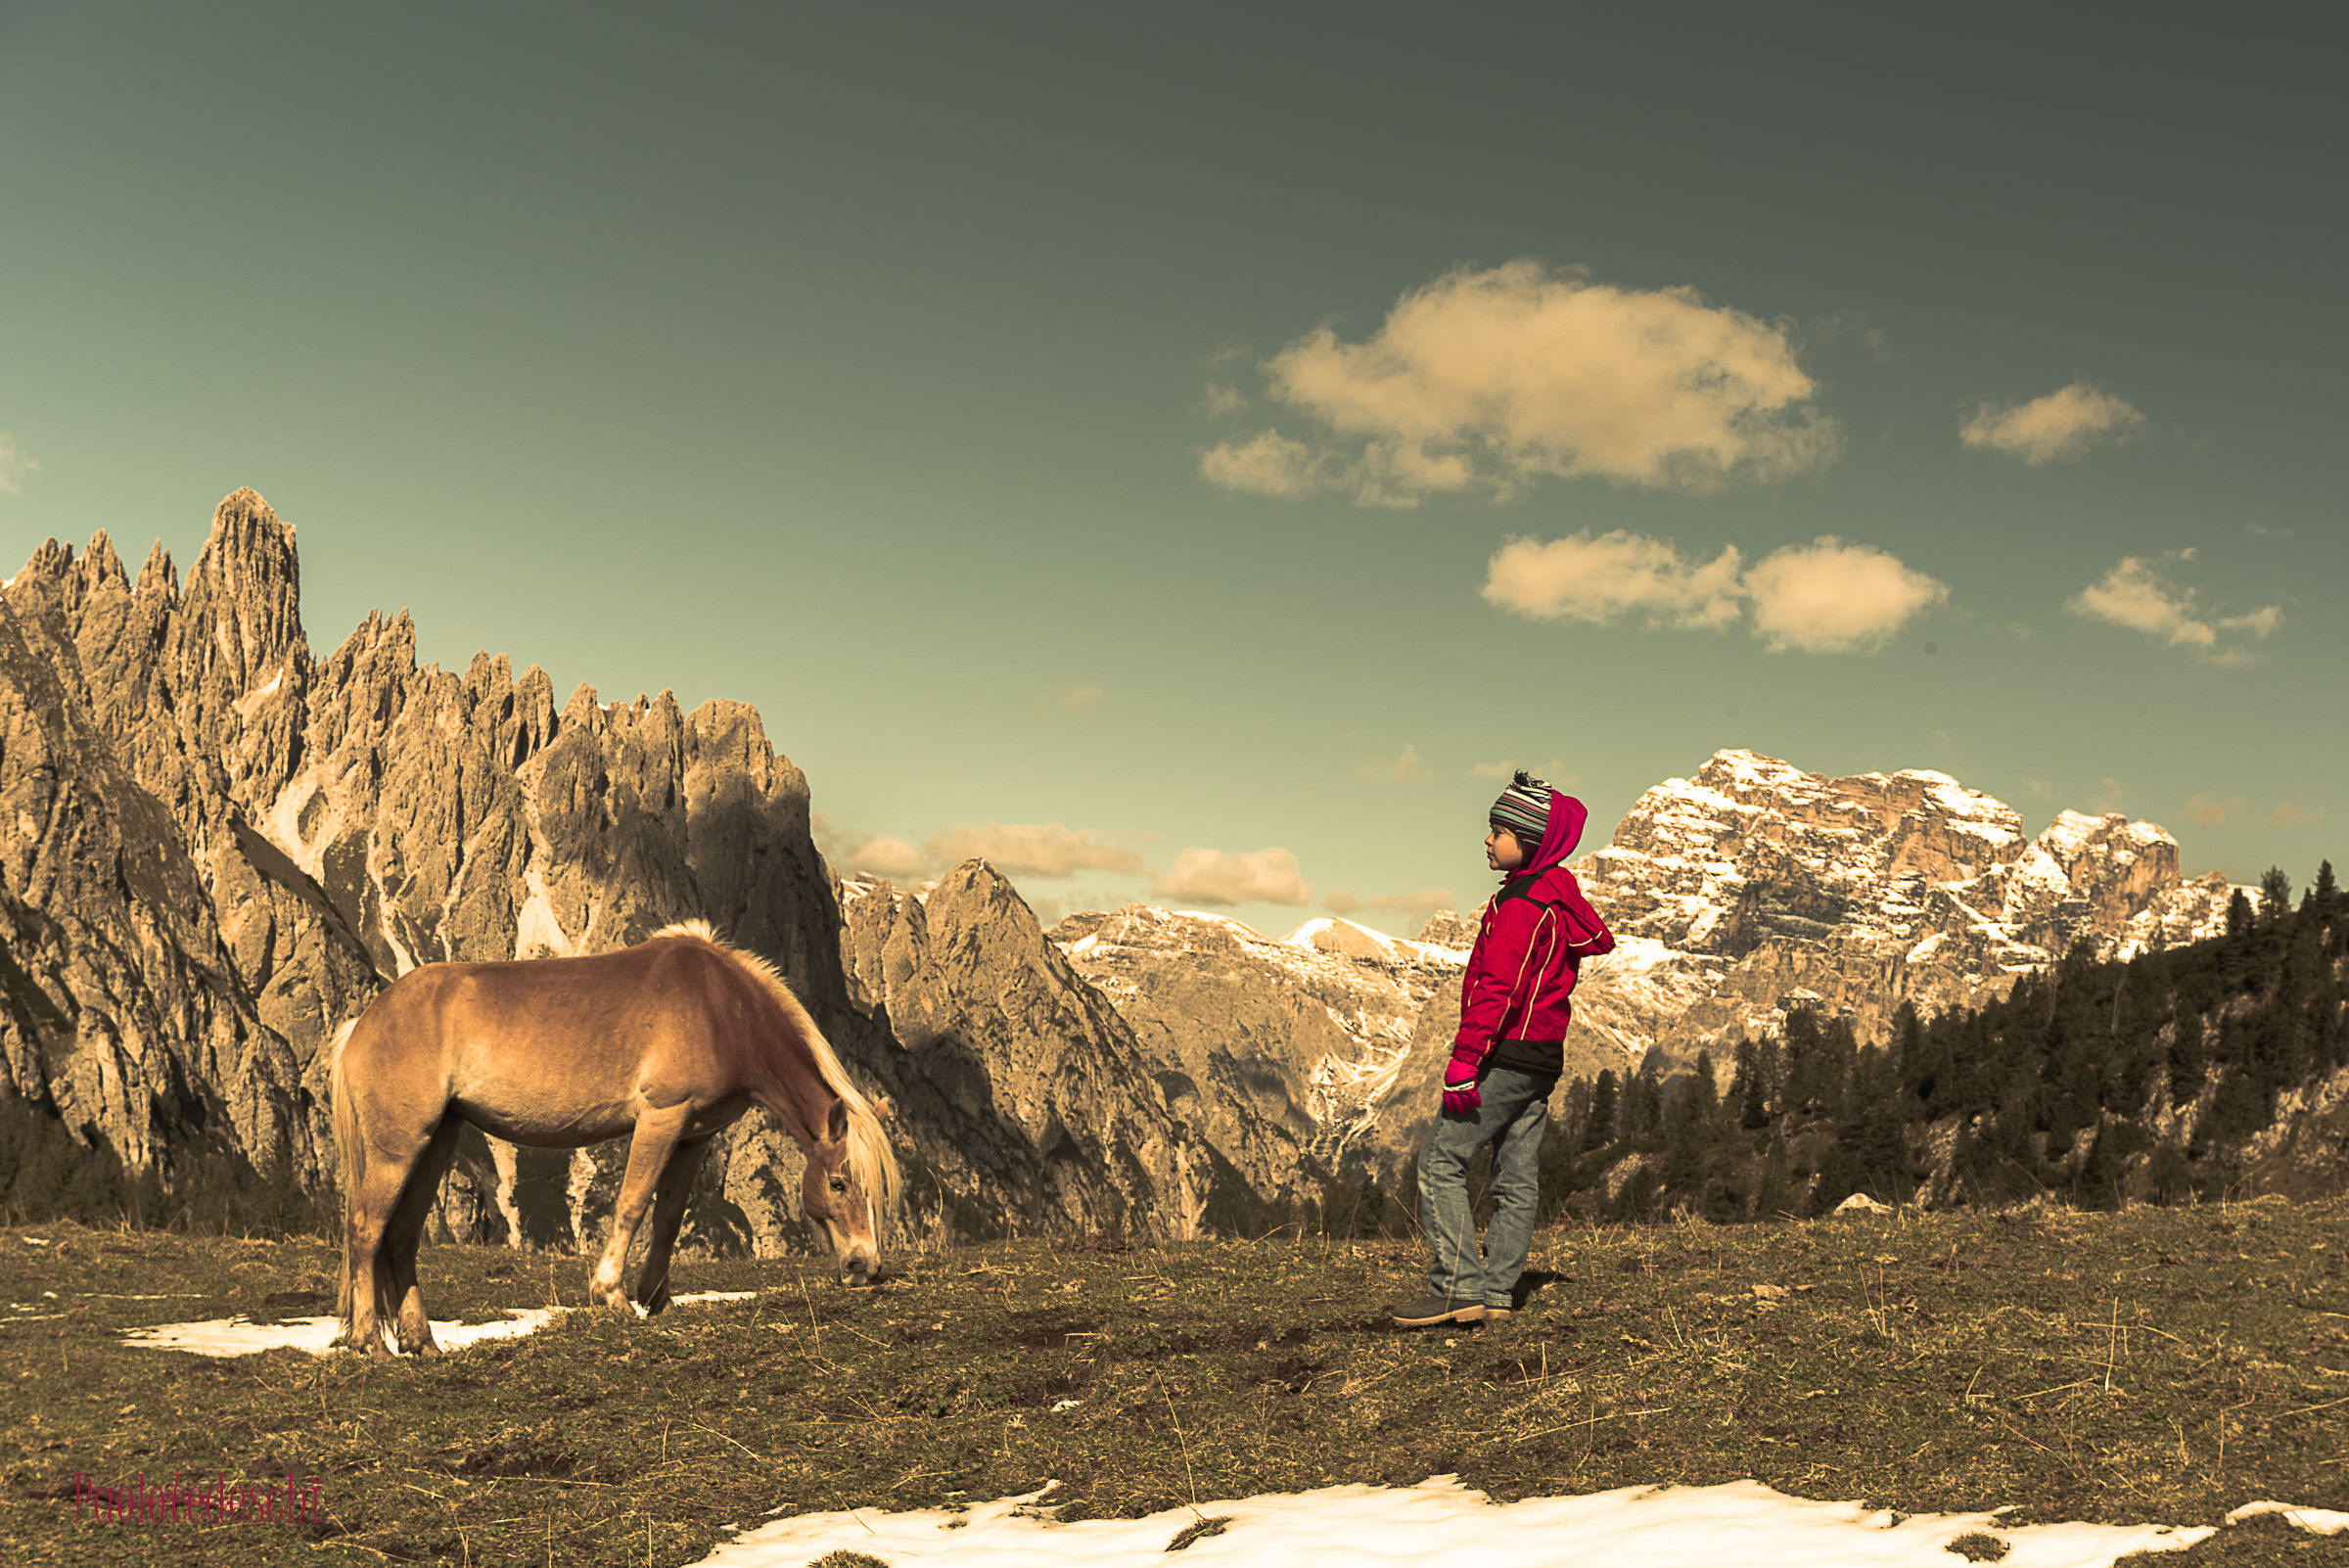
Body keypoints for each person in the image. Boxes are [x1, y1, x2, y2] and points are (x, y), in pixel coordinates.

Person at [1391, 770, 1614, 1327]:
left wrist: (1466, 1060)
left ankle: (1457, 1287)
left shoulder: (1522, 904)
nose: (1487, 840)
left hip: (1505, 1054)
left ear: (1529, 841)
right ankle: (1496, 1294)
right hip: (1541, 1059)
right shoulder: (1556, 898)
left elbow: (1499, 986)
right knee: (1516, 1176)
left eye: (1498, 831)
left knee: (1440, 1161)